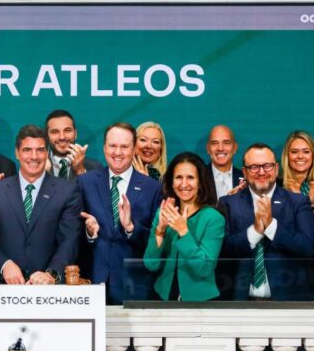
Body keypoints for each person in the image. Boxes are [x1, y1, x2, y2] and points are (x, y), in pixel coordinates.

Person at [0, 124, 82, 284]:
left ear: (47, 153)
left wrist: (51, 274)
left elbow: (70, 240)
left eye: (40, 150)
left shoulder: (67, 191)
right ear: (17, 153)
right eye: (27, 150)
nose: (34, 156)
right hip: (4, 289)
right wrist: (5, 265)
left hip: (50, 291)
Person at [218, 143, 314, 300]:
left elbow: (307, 247)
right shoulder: (227, 203)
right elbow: (222, 250)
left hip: (288, 301)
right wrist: (255, 231)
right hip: (238, 301)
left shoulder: (298, 202)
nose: (261, 172)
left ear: (276, 168)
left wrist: (271, 226)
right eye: (254, 167)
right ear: (244, 171)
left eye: (267, 166)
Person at [78, 122, 162, 303]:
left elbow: (158, 240)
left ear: (134, 150)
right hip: (92, 283)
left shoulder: (152, 188)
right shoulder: (85, 183)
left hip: (134, 286)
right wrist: (89, 233)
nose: (117, 152)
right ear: (104, 148)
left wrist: (131, 227)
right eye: (112, 146)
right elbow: (71, 234)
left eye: (124, 147)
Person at [144, 152, 225, 301]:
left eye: (190, 178)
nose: (184, 184)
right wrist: (160, 229)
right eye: (179, 177)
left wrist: (183, 231)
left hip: (200, 302)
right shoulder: (163, 213)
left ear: (200, 182)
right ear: (172, 182)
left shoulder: (213, 218)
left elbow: (204, 268)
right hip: (163, 298)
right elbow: (151, 264)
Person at [279, 130, 314, 299]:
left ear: (313, 156)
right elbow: (280, 230)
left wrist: (313, 204)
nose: (300, 156)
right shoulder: (275, 186)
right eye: (294, 151)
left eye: (306, 151)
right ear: (287, 156)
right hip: (282, 270)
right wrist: (298, 198)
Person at [44, 109, 102, 181]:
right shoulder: (38, 166)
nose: (62, 137)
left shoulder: (95, 167)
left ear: (75, 134)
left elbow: (96, 192)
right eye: (55, 132)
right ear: (46, 136)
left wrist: (81, 171)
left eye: (67, 130)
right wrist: (41, 174)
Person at [206, 124, 245, 198]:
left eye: (226, 143)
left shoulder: (246, 179)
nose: (220, 148)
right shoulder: (199, 178)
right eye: (215, 143)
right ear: (208, 148)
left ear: (235, 148)